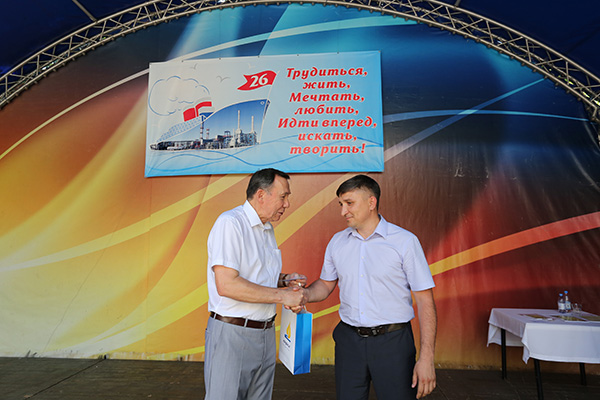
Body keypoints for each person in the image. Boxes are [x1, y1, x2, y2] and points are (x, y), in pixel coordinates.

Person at [299, 174, 437, 399]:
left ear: (371, 202)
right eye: (341, 204)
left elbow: (425, 300)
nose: (343, 211)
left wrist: (427, 357)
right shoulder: (337, 242)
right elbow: (325, 284)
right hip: (349, 341)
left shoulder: (405, 242)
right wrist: (303, 295)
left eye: (349, 203)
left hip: (393, 343)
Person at [204, 168, 306, 400]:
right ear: (261, 195)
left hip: (265, 333)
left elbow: (256, 274)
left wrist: (284, 280)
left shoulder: (267, 228)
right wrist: (283, 296)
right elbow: (227, 284)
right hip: (233, 333)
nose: (287, 204)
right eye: (283, 196)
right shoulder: (230, 223)